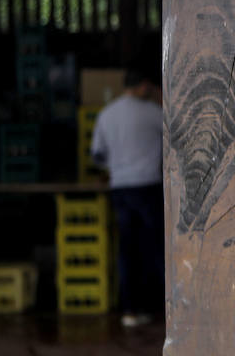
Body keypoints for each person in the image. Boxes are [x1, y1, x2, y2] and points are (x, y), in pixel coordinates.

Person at [91, 67, 164, 327]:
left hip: (120, 188)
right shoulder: (154, 113)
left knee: (128, 249)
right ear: (144, 85)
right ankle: (167, 309)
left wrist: (116, 164)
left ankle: (131, 310)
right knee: (157, 248)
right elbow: (177, 137)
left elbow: (97, 155)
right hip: (148, 186)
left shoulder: (106, 115)